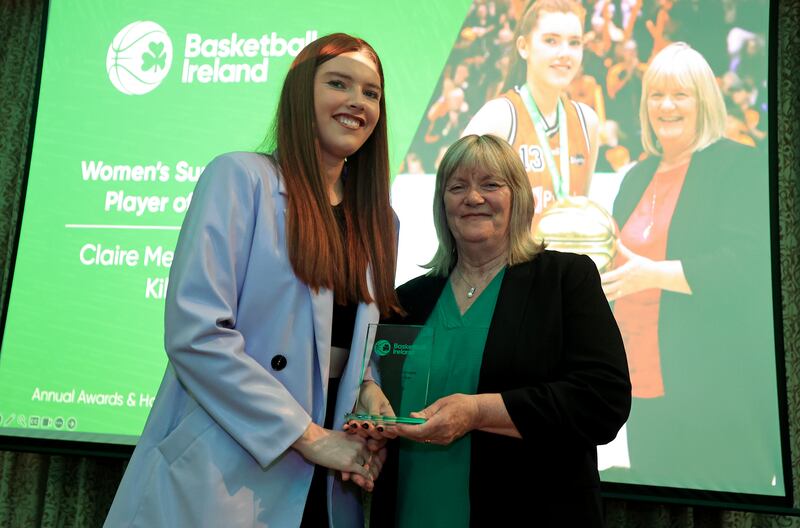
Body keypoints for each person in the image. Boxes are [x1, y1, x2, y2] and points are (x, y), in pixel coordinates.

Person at [104, 33, 401, 527]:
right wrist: (308, 436)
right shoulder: (239, 178)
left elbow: (347, 336)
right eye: (338, 83)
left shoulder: (382, 222)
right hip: (229, 469)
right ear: (300, 95)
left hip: (329, 481)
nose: (357, 101)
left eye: (371, 93)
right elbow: (197, 334)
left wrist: (367, 387)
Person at [368, 134, 631, 527]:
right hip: (412, 512)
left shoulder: (564, 280)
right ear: (442, 204)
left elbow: (602, 401)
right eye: (457, 187)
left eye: (490, 184)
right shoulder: (406, 301)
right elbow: (375, 389)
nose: (473, 198)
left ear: (518, 198)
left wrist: (478, 412)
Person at [599, 42, 776, 488]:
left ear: (705, 101)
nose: (667, 106)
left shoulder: (738, 165)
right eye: (656, 95)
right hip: (644, 383)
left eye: (681, 94)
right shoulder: (636, 177)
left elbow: (747, 265)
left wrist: (652, 275)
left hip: (718, 386)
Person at [463, 0, 600, 216]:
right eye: (551, 40)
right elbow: (454, 204)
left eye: (574, 42)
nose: (565, 52)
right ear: (523, 47)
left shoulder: (587, 122)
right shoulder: (499, 118)